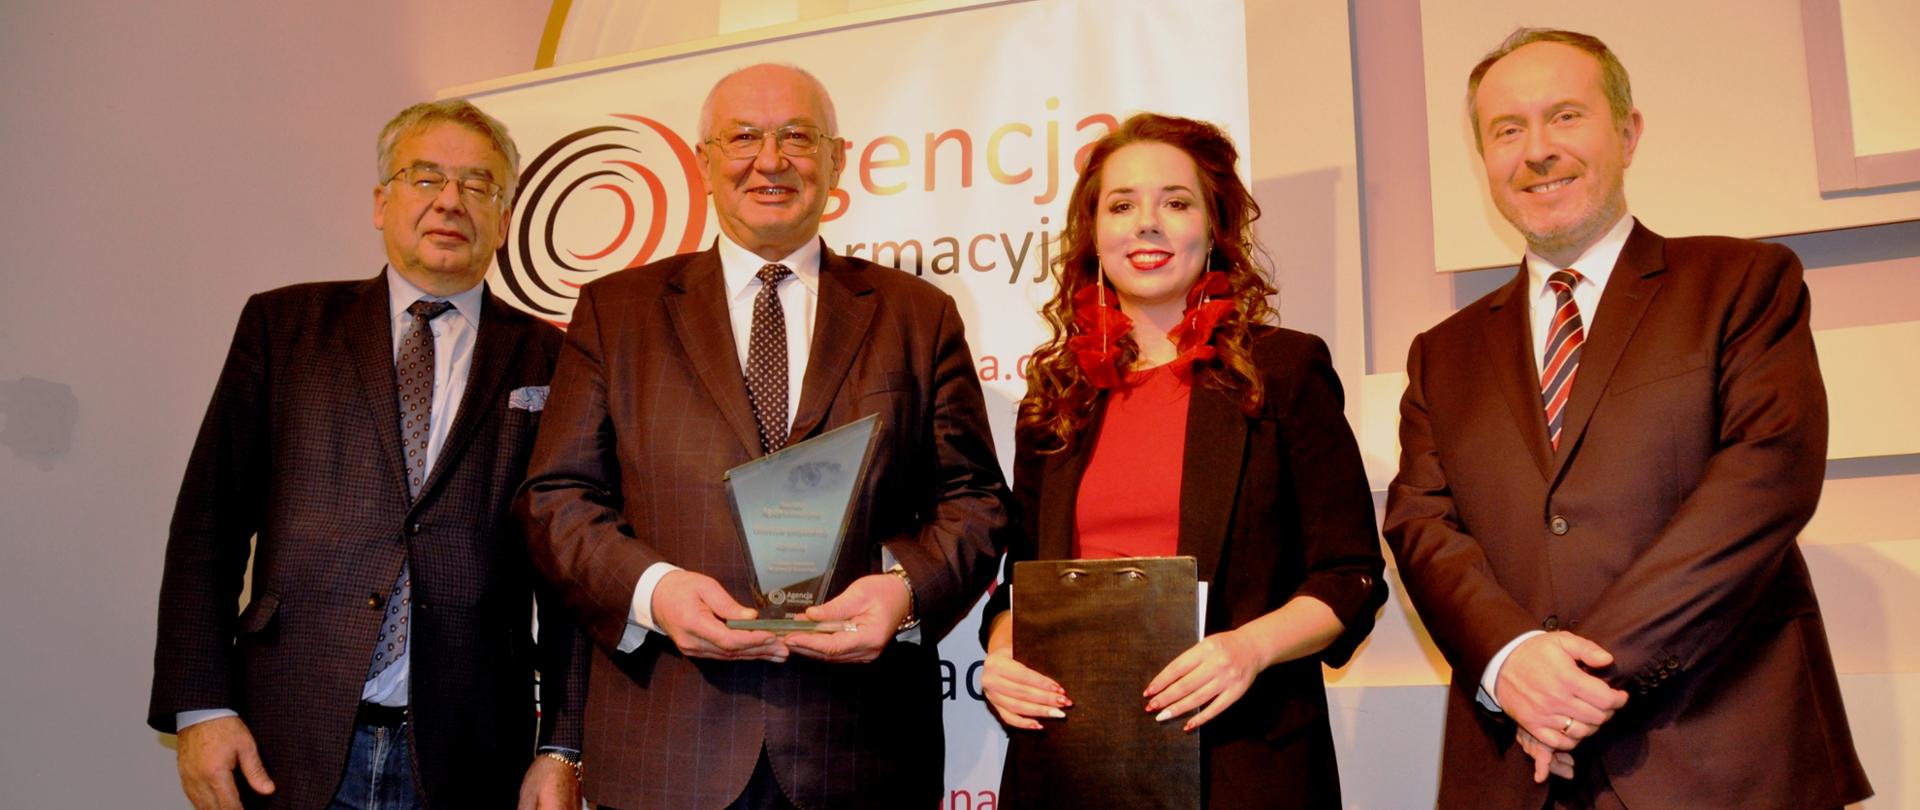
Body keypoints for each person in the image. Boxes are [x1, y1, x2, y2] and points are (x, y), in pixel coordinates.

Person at [1382, 27, 1873, 808]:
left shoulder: (1742, 282)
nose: (1537, 150)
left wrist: (1574, 684)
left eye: (1565, 116)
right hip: (1517, 771)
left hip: (1720, 758)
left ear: (1628, 132)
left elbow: (1765, 481)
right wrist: (1510, 662)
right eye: (1507, 130)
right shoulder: (1442, 353)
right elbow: (1422, 526)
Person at [515, 62, 1013, 810]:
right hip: (667, 749)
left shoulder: (918, 314)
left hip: (861, 752)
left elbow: (974, 500)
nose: (771, 160)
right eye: (743, 137)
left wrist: (905, 592)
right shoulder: (617, 312)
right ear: (703, 161)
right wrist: (656, 593)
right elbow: (557, 497)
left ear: (837, 160)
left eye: (797, 137)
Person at [148, 99, 587, 810]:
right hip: (286, 732)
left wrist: (562, 744)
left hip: (473, 749)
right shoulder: (283, 327)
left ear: (505, 218)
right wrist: (201, 707)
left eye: (478, 185)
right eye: (426, 177)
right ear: (382, 202)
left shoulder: (556, 358)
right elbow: (209, 525)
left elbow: (572, 572)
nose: (450, 201)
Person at [976, 113, 1387, 809]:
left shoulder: (1284, 372)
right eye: (1121, 205)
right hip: (1073, 762)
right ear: (1093, 234)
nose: (1147, 224)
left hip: (1244, 761)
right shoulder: (1056, 397)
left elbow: (1350, 576)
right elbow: (1023, 582)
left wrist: (1248, 648)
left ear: (1214, 227)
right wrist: (1002, 653)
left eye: (1175, 202)